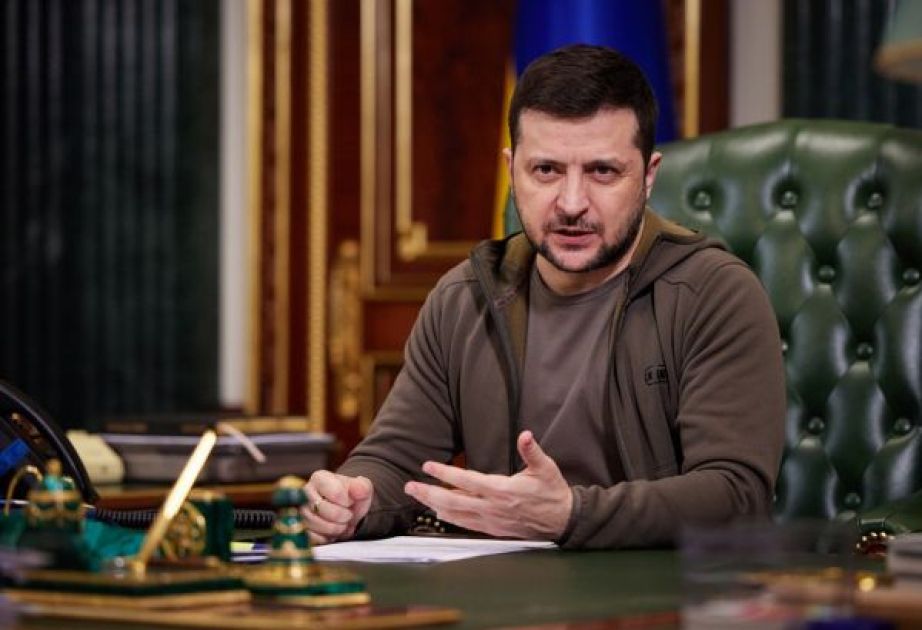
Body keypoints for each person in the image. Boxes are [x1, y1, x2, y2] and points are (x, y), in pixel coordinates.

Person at [304, 44, 785, 549]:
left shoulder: (714, 294)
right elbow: (391, 462)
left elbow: (736, 495)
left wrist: (571, 515)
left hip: (655, 587)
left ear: (648, 176)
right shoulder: (465, 298)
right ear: (512, 170)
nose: (572, 203)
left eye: (602, 171)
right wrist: (350, 501)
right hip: (504, 588)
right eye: (546, 171)